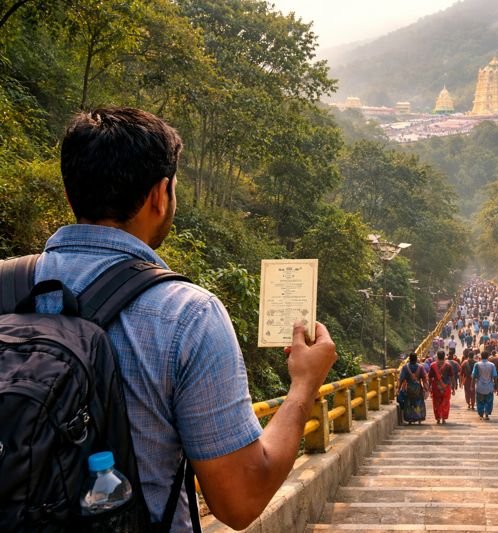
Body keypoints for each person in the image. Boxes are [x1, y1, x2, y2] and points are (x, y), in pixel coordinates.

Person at [31, 107, 337, 530]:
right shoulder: (187, 314)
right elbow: (240, 501)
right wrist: (304, 385)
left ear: (70, 195)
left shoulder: (9, 287)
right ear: (160, 195)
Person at [398, 353, 428, 424]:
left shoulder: (405, 367)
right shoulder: (420, 367)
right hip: (418, 388)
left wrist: (398, 389)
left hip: (409, 388)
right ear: (416, 358)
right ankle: (419, 418)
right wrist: (426, 387)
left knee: (409, 402)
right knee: (418, 402)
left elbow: (401, 379)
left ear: (409, 358)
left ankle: (410, 419)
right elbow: (424, 378)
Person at [429, 350, 456, 424]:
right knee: (445, 402)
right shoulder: (448, 366)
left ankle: (438, 418)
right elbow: (452, 377)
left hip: (436, 387)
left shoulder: (432, 365)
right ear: (444, 357)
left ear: (437, 356)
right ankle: (444, 418)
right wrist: (453, 388)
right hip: (446, 387)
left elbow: (430, 377)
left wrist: (429, 386)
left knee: (436, 402)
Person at [473, 351, 498, 420]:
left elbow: (474, 376)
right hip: (489, 387)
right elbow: (495, 376)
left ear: (481, 356)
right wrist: (496, 386)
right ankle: (487, 414)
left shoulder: (477, 364)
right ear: (487, 357)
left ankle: (481, 414)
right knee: (489, 401)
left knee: (480, 401)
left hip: (480, 387)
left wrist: (472, 385)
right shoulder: (492, 365)